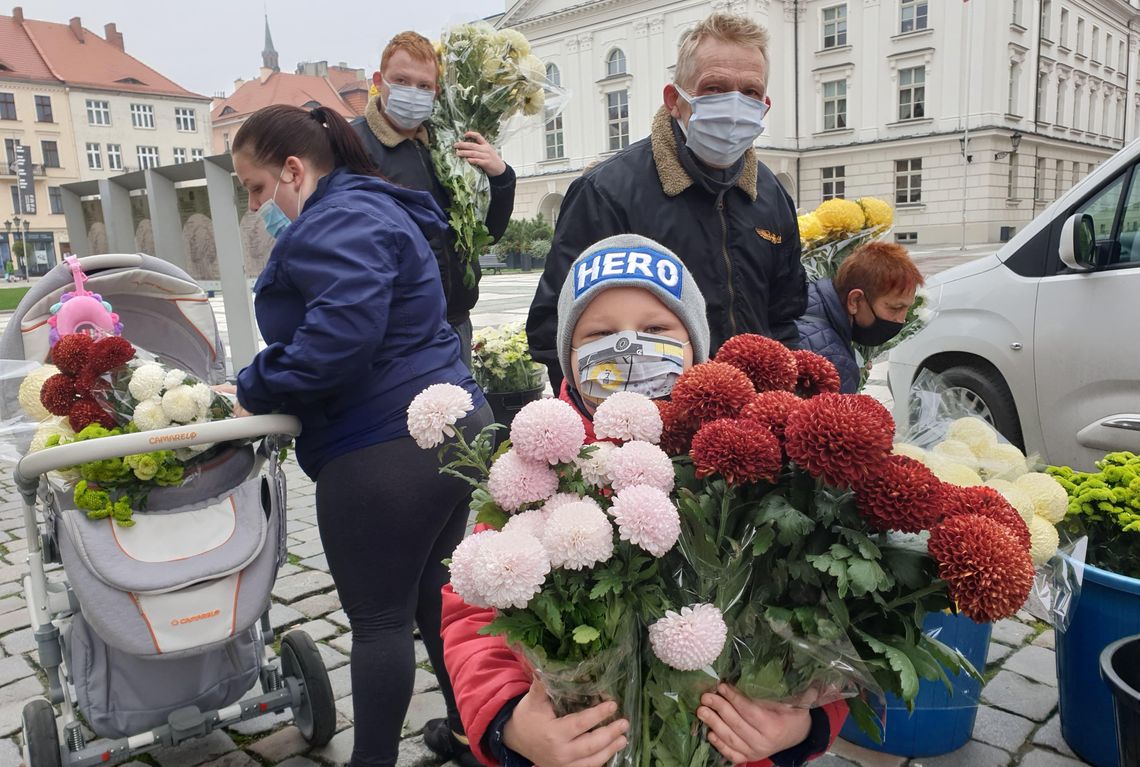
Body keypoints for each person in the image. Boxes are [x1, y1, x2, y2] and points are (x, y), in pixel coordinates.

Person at [443, 235, 847, 767]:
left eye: (656, 330)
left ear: (696, 346)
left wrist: (805, 722)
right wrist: (509, 723)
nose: (628, 347)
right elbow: (473, 617)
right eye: (600, 333)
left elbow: (825, 622)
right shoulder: (533, 473)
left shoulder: (753, 473)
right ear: (568, 355)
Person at [228, 104, 493, 767]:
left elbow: (339, 335)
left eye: (258, 188)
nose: (258, 206)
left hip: (382, 445)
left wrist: (255, 384)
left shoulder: (334, 218)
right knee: (434, 594)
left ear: (294, 169)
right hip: (450, 424)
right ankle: (471, 734)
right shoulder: (377, 206)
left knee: (378, 623)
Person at [527, 12, 807, 392]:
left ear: (765, 106)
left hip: (751, 420)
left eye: (750, 92)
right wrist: (604, 424)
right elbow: (555, 329)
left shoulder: (770, 194)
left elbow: (786, 316)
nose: (734, 104)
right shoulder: (607, 193)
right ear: (675, 99)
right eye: (714, 88)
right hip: (653, 425)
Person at [353, 31, 517, 368]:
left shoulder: (449, 142)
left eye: (424, 86)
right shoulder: (353, 148)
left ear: (436, 91)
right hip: (398, 336)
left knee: (463, 419)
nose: (413, 93)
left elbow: (487, 232)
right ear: (378, 81)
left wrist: (499, 177)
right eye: (401, 81)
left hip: (456, 324)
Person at [796, 241, 924, 393]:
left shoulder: (802, 296)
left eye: (907, 309)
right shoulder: (833, 364)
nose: (901, 320)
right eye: (895, 308)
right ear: (855, 300)